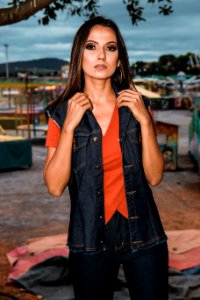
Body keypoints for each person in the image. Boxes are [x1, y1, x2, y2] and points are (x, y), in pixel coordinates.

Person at [44, 16, 168, 300]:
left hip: (144, 234)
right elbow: (53, 186)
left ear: (119, 60)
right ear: (79, 55)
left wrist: (146, 123)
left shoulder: (138, 107)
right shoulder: (61, 114)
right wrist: (70, 128)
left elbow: (155, 177)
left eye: (110, 48)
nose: (101, 55)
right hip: (89, 238)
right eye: (91, 46)